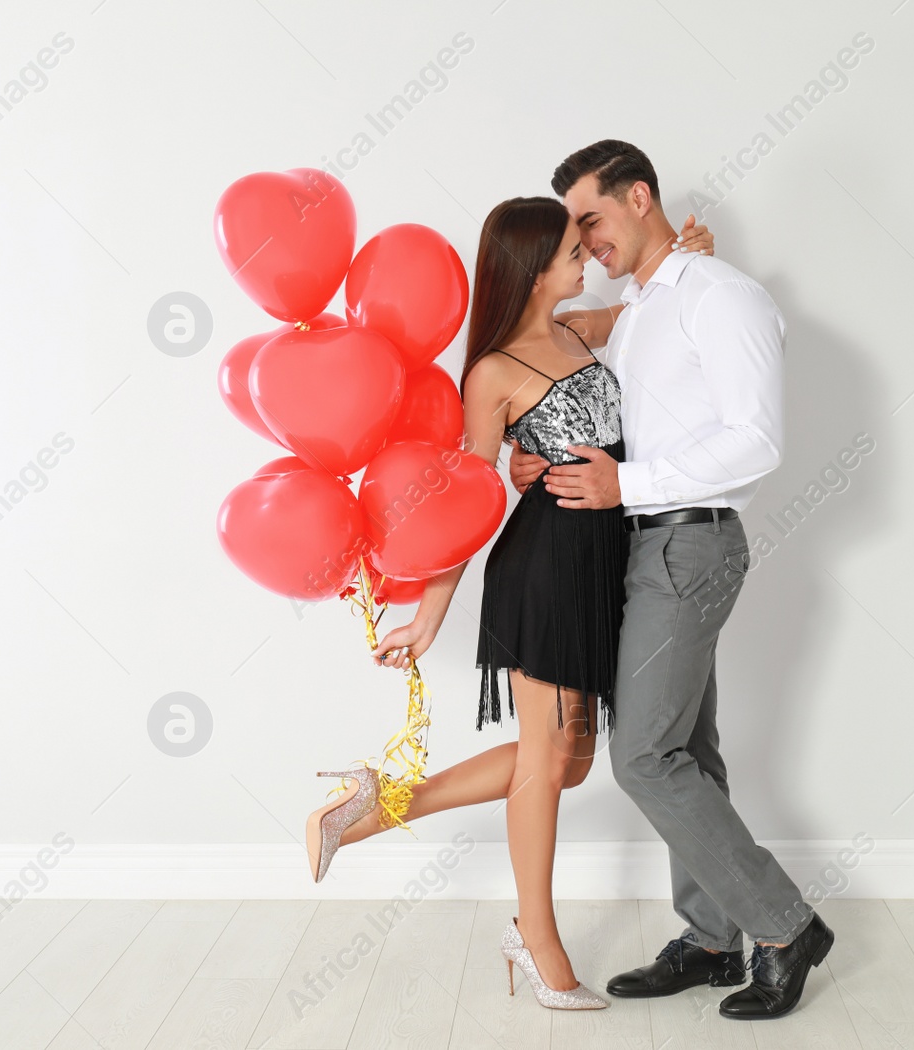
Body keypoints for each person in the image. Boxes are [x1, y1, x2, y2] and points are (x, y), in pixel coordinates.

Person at [303, 195, 715, 1009]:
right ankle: (536, 937)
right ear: (530, 270)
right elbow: (465, 499)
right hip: (545, 573)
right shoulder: (492, 373)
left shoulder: (580, 328)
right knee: (546, 757)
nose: (587, 255)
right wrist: (429, 613)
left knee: (567, 761)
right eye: (570, 248)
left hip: (606, 567)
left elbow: (649, 305)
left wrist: (693, 253)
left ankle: (369, 807)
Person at [509, 139, 833, 1020]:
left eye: (592, 220)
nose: (585, 244)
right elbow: (574, 330)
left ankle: (783, 925)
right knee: (688, 750)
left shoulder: (720, 298)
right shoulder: (650, 300)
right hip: (645, 547)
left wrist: (628, 485)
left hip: (689, 544)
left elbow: (756, 440)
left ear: (640, 196)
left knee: (643, 755)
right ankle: (710, 937)